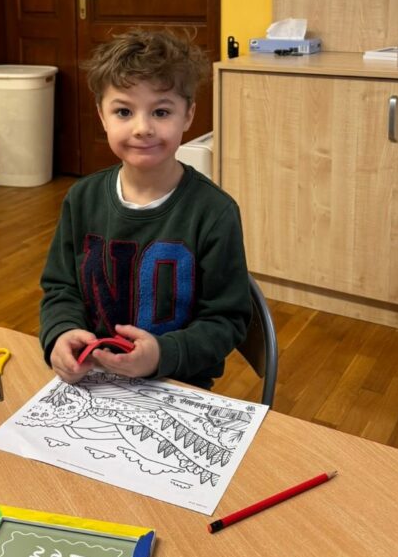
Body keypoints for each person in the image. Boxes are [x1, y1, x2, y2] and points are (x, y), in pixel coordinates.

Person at [39, 28, 251, 389]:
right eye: (123, 111)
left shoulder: (214, 213)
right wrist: (61, 333)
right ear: (102, 116)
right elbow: (61, 288)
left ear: (188, 116)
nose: (142, 128)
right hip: (94, 378)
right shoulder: (82, 199)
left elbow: (227, 320)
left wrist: (161, 355)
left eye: (161, 111)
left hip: (177, 384)